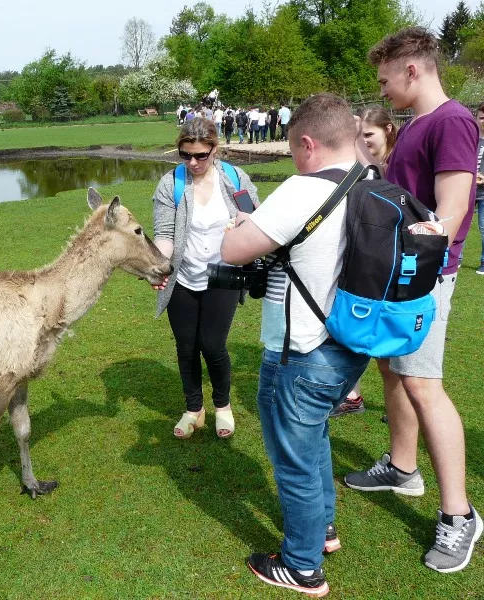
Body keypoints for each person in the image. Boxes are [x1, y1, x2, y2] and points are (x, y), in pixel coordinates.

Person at [345, 26, 482, 574]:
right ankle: (403, 468)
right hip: (396, 277)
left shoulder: (451, 121)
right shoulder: (418, 125)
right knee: (394, 374)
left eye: (384, 80)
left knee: (425, 386)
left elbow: (450, 211)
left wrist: (408, 256)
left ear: (412, 70)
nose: (381, 92)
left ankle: (460, 514)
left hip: (423, 278)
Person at [222, 93, 370, 597]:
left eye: (291, 148)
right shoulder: (372, 181)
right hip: (353, 342)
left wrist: (243, 223)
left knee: (295, 459)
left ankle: (302, 565)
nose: (291, 157)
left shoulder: (302, 189)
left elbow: (232, 250)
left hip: (303, 349)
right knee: (314, 438)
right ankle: (322, 528)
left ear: (307, 142)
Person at [151, 117, 259, 440]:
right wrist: (159, 266)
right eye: (185, 155)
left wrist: (243, 224)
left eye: (200, 155)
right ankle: (194, 409)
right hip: (182, 277)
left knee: (212, 345)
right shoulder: (171, 184)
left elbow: (254, 218)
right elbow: (165, 234)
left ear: (215, 150)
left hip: (222, 275)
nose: (193, 162)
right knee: (186, 346)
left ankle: (222, 406)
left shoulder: (234, 178)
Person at [329, 104, 398, 418]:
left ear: (388, 130)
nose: (364, 140)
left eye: (368, 134)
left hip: (385, 262)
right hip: (367, 256)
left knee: (386, 342)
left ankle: (401, 405)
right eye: (360, 135)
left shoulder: (392, 165)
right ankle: (355, 395)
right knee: (357, 331)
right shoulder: (373, 164)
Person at [475, 103, 484, 275]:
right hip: (466, 191)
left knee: (483, 228)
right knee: (459, 224)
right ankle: (456, 258)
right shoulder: (470, 138)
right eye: (482, 117)